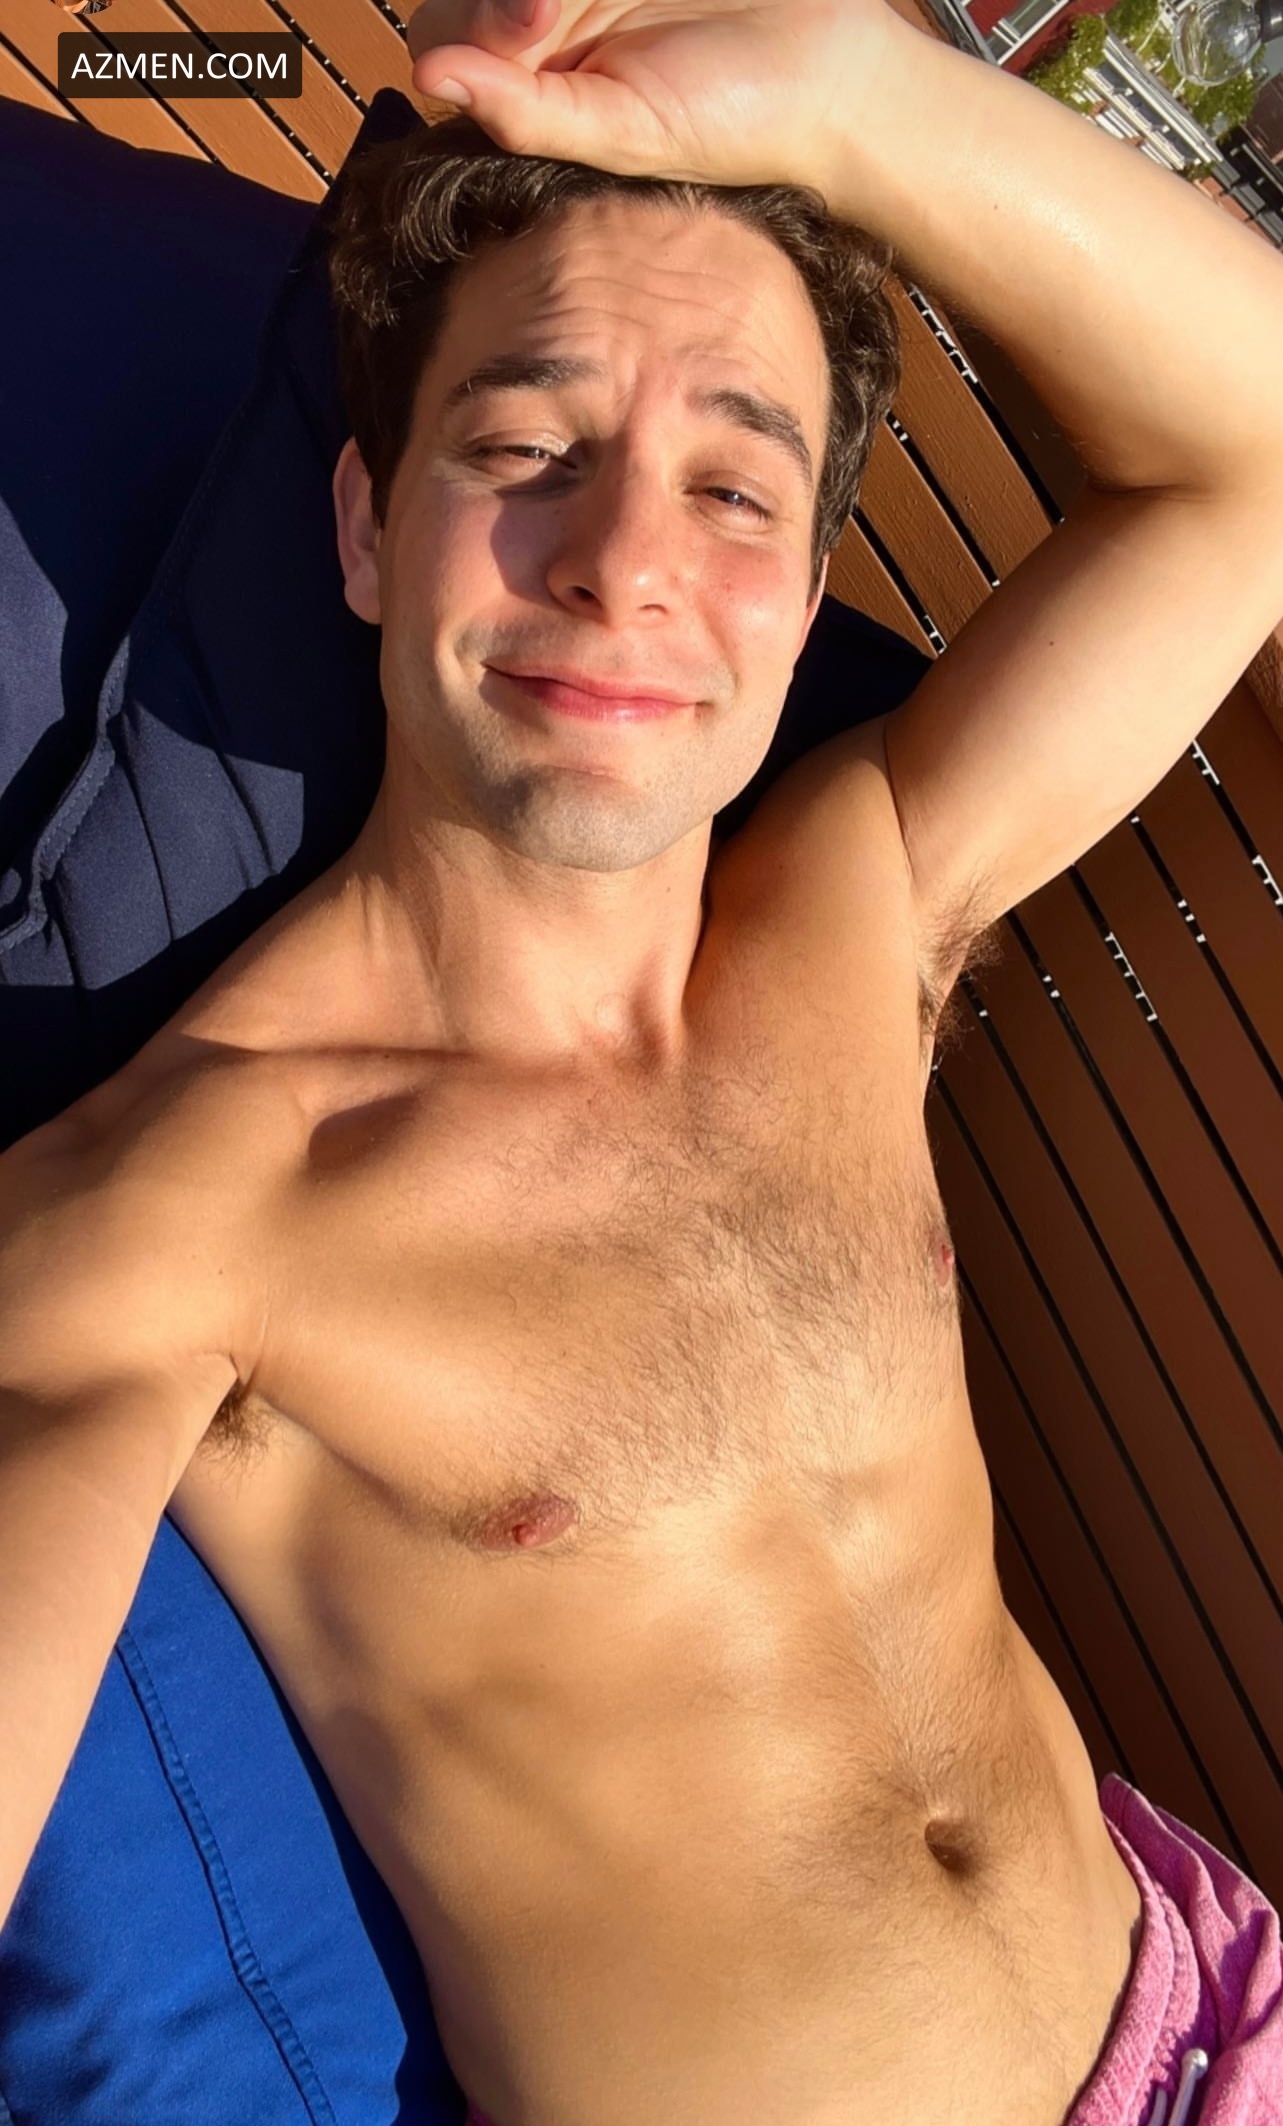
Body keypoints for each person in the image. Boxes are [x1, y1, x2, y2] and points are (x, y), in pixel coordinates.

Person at [2, 0, 1281, 2118]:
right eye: (525, 454)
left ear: (807, 592)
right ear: (363, 528)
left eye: (735, 489)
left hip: (1217, 1997)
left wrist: (850, 93)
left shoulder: (853, 914)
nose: (625, 568)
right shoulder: (193, 1205)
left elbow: (1252, 447)